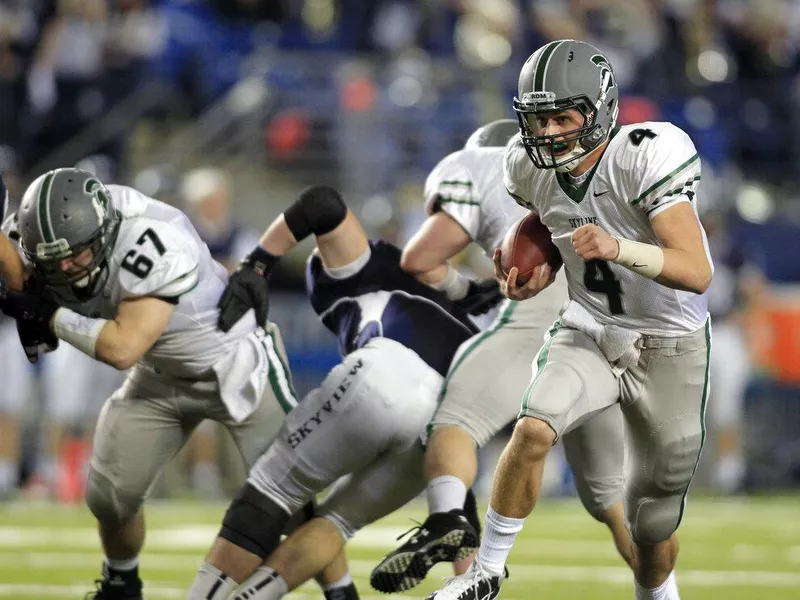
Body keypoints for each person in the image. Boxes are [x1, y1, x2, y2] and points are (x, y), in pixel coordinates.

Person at [427, 39, 712, 600]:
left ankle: (656, 593)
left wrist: (618, 249)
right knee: (534, 426)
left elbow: (696, 272)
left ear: (599, 111)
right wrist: (538, 269)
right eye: (539, 118)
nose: (551, 131)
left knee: (651, 524)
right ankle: (485, 575)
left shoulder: (645, 154)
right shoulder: (526, 168)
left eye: (563, 116)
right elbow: (557, 225)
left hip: (670, 343)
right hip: (592, 325)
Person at [0, 168, 347, 600]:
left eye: (77, 255)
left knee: (294, 501)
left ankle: (341, 591)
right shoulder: (39, 234)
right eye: (55, 260)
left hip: (233, 365)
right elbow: (17, 270)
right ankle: (120, 582)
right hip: (159, 371)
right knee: (110, 497)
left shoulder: (152, 239)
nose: (67, 267)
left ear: (104, 233)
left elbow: (123, 347)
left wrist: (46, 314)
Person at [371, 118, 633, 593]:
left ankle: (449, 521)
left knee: (452, 425)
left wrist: (464, 290)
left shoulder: (477, 165)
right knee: (613, 502)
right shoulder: (577, 164)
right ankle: (664, 588)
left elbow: (418, 259)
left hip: (546, 310)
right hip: (612, 323)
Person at [186, 184, 484, 600]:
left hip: (388, 374)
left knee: (272, 491)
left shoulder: (382, 268)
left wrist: (256, 264)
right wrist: (468, 569)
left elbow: (321, 204)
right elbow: (458, 482)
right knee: (337, 523)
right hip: (441, 429)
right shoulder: (470, 318)